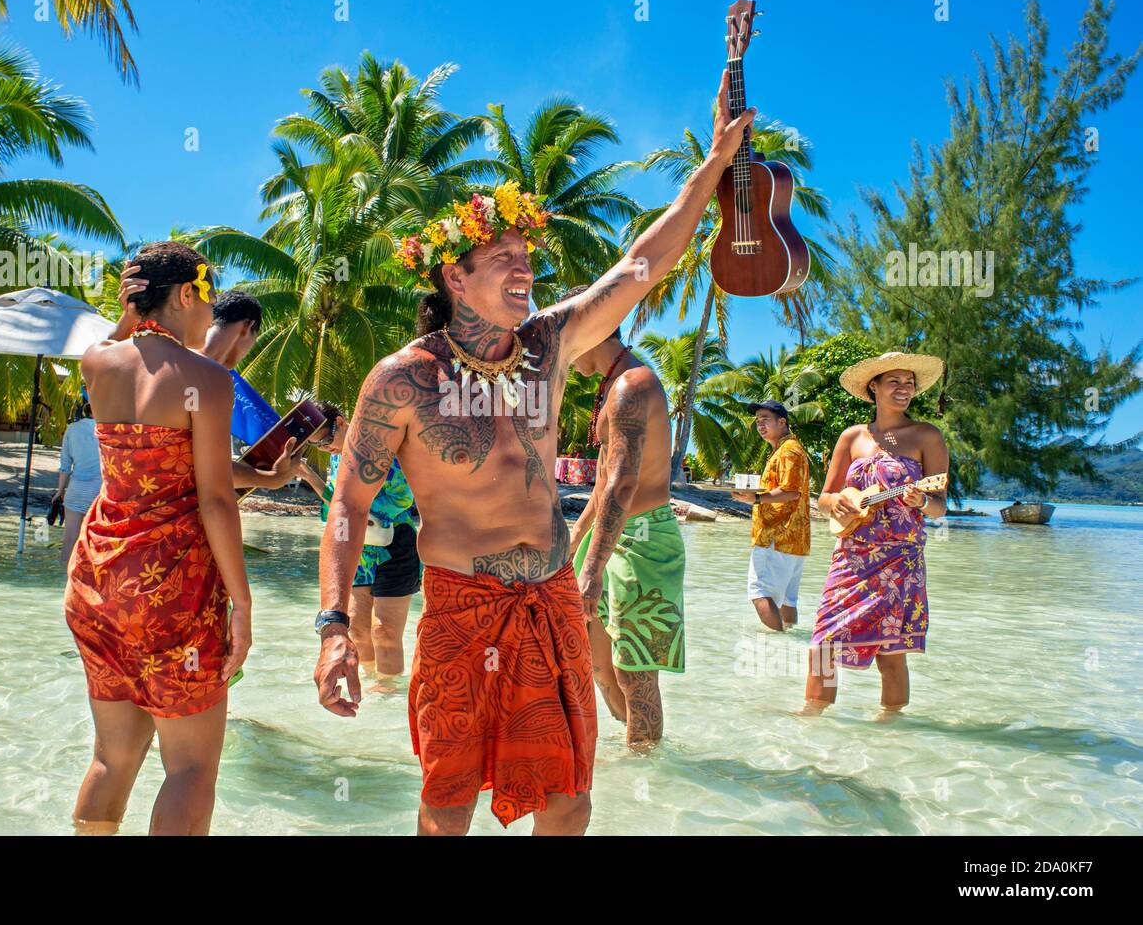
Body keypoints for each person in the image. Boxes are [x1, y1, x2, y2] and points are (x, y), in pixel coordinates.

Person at [312, 70, 754, 835]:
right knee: (448, 802)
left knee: (570, 797)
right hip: (459, 609)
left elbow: (641, 267)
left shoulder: (548, 345)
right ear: (455, 275)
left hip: (549, 600)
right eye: (504, 259)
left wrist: (713, 165)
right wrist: (331, 627)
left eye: (528, 256)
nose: (526, 269)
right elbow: (348, 502)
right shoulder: (405, 380)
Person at [64, 241, 252, 835]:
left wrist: (129, 315)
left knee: (110, 757)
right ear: (187, 294)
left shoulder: (99, 363)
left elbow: (110, 343)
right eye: (209, 298)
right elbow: (217, 500)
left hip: (98, 574)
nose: (211, 315)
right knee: (191, 768)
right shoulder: (207, 379)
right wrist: (242, 603)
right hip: (173, 587)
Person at [566, 290, 685, 750]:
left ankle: (648, 776)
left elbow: (621, 485)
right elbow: (602, 480)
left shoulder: (632, 387)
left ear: (592, 330)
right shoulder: (613, 384)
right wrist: (577, 539)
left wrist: (592, 570)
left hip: (645, 538)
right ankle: (636, 760)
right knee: (597, 665)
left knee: (634, 673)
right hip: (609, 534)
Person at [801, 352, 949, 717]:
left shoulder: (926, 435)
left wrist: (920, 501)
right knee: (823, 644)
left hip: (900, 559)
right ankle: (812, 718)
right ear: (874, 387)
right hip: (851, 556)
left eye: (909, 383)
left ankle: (891, 727)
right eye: (894, 382)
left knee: (891, 652)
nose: (904, 389)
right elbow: (824, 496)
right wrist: (835, 504)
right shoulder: (852, 437)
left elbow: (940, 504)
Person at [112, 272, 299, 491]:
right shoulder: (212, 378)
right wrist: (271, 478)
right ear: (248, 327)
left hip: (124, 496)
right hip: (172, 511)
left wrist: (130, 314)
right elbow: (207, 468)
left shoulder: (164, 356)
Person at [295, 401, 421, 684]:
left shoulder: (382, 447)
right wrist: (308, 476)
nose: (325, 448)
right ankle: (369, 693)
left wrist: (358, 507)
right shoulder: (338, 459)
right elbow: (335, 506)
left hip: (394, 544)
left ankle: (387, 694)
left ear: (340, 422)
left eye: (326, 439)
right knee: (360, 630)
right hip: (360, 549)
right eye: (318, 445)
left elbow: (403, 498)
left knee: (384, 632)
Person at [731, 400, 810, 632]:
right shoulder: (786, 449)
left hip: (776, 535)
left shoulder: (788, 451)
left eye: (765, 419)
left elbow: (791, 491)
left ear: (782, 422)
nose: (760, 425)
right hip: (793, 538)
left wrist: (755, 499)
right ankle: (791, 639)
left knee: (759, 593)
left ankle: (778, 642)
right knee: (787, 599)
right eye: (757, 421)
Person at [54, 400, 102, 569]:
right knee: (97, 542)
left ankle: (62, 579)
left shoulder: (71, 429)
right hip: (99, 491)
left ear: (86, 412)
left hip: (76, 490)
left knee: (69, 539)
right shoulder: (105, 430)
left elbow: (65, 466)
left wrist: (60, 491)